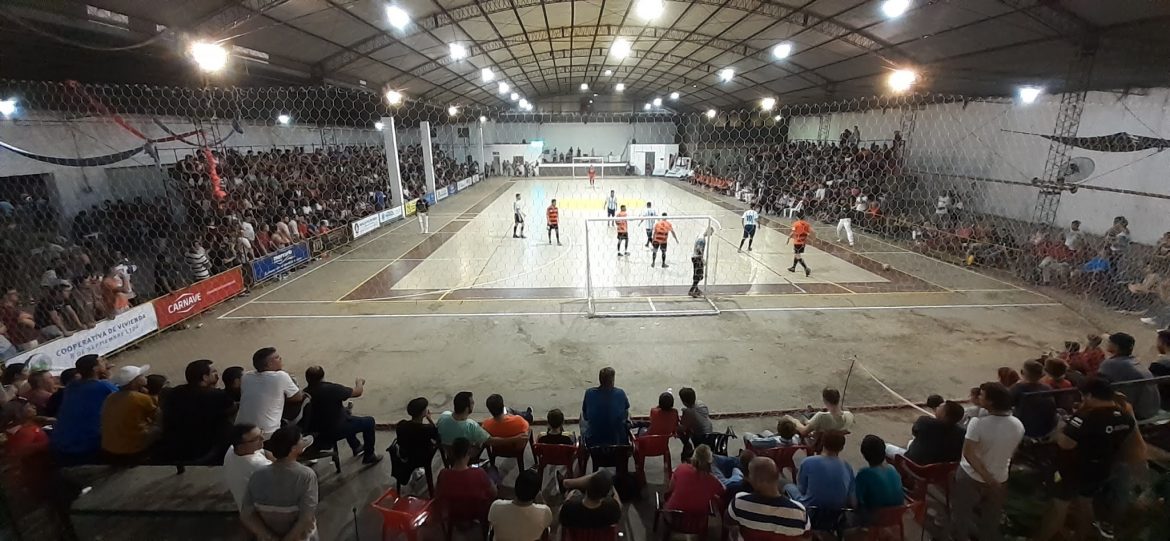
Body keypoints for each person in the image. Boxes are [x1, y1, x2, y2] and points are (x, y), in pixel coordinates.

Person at [1033, 378, 1141, 541]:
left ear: (1089, 395)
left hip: (1073, 469)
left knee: (1058, 507)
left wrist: (1061, 430)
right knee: (1085, 502)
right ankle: (1081, 536)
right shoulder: (1126, 417)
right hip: (1101, 468)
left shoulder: (1086, 417)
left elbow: (1066, 444)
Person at [950, 382, 1025, 541]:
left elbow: (969, 454)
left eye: (982, 395)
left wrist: (988, 478)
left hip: (971, 476)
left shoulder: (977, 423)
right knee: (991, 518)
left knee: (961, 513)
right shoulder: (1018, 424)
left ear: (990, 402)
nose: (979, 397)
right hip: (1000, 477)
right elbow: (1012, 451)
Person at [240, 425, 319, 541]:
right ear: (293, 449)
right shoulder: (306, 476)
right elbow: (306, 516)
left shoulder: (257, 475)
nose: (304, 441)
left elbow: (246, 514)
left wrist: (269, 536)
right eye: (301, 440)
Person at [157, 359, 235, 463]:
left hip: (175, 446)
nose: (217, 375)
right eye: (213, 372)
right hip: (205, 448)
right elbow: (232, 409)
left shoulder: (175, 392)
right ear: (205, 377)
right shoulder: (217, 395)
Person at [303, 366, 381, 464]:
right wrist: (359, 382)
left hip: (316, 434)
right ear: (322, 377)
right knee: (369, 421)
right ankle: (369, 455)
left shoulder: (304, 393)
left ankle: (356, 446)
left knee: (346, 414)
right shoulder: (331, 389)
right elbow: (358, 392)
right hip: (334, 431)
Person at [50, 355, 118, 462]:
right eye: (101, 362)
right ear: (95, 368)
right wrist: (108, 377)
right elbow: (123, 398)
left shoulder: (71, 386)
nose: (105, 362)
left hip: (61, 444)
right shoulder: (104, 386)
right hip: (88, 446)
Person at [727, 457, 810, 537]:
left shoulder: (739, 503)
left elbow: (729, 524)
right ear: (777, 476)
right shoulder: (799, 512)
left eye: (749, 475)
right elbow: (806, 537)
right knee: (788, 485)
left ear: (758, 481)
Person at [235, 347, 304, 441]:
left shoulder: (246, 376)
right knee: (306, 399)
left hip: (239, 429)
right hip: (267, 432)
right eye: (277, 357)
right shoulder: (281, 376)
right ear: (269, 364)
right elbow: (298, 397)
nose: (280, 358)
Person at [100, 364, 159, 461]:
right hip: (131, 449)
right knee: (160, 426)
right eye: (141, 376)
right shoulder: (140, 398)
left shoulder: (111, 397)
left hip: (109, 448)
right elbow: (157, 416)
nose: (145, 377)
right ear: (134, 381)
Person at [1098, 332, 1161, 420]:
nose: (1107, 344)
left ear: (1116, 346)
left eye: (1110, 342)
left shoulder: (1111, 364)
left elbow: (1096, 383)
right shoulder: (1135, 362)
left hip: (1137, 413)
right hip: (1151, 409)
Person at [785, 431, 854, 511]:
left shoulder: (808, 461)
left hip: (810, 509)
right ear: (841, 448)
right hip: (837, 512)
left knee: (787, 485)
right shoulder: (847, 466)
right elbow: (850, 495)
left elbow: (802, 489)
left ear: (823, 444)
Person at [886, 400, 965, 465]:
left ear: (943, 414)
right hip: (940, 469)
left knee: (885, 447)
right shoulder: (962, 433)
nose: (936, 408)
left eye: (939, 407)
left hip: (914, 464)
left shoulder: (925, 422)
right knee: (912, 442)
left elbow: (915, 432)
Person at [435, 437, 496, 519]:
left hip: (453, 515)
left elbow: (438, 495)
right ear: (468, 452)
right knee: (493, 472)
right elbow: (494, 493)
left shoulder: (443, 474)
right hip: (477, 514)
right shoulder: (479, 473)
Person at [488, 469, 553, 541]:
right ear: (537, 493)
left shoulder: (496, 506)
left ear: (515, 486)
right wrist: (541, 501)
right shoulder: (544, 512)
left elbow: (491, 524)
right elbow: (547, 525)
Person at [223, 423, 273, 510]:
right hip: (258, 510)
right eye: (256, 438)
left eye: (261, 433)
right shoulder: (258, 466)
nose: (263, 438)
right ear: (241, 446)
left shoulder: (232, 450)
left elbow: (264, 452)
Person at [665, 444, 725, 513]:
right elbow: (723, 491)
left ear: (693, 457)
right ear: (710, 461)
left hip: (673, 514)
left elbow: (670, 489)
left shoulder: (681, 468)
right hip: (697, 518)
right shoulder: (713, 480)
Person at [855, 435, 904, 517]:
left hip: (875, 517)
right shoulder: (892, 469)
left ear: (864, 455)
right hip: (897, 514)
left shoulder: (864, 474)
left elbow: (857, 500)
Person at [581, 367, 630, 446]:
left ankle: (584, 443)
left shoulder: (589, 393)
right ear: (612, 380)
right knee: (626, 413)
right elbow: (625, 414)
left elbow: (585, 416)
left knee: (583, 417)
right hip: (618, 440)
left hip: (593, 440)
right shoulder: (620, 393)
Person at [1009, 358, 1057, 438]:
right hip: (1045, 428)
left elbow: (1005, 403)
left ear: (1022, 372)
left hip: (1024, 428)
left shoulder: (1018, 388)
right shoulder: (1047, 388)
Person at [558, 470, 622, 529]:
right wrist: (612, 488)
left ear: (586, 489)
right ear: (604, 496)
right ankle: (567, 483)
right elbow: (619, 506)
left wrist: (569, 497)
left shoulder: (569, 508)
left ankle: (567, 483)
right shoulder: (612, 510)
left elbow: (561, 514)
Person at [784, 387, 855, 439]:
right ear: (839, 399)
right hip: (835, 443)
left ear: (824, 400)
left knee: (790, 420)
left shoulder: (821, 416)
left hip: (818, 442)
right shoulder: (849, 416)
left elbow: (804, 432)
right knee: (807, 417)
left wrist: (794, 421)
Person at [1, 286, 40, 351]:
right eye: (14, 294)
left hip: (27, 338)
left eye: (17, 293)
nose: (17, 295)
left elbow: (27, 317)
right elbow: (22, 319)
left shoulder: (13, 308)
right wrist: (29, 320)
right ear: (6, 296)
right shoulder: (6, 309)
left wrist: (27, 318)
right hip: (24, 340)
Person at [678, 387, 713, 452]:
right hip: (710, 434)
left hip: (701, 437)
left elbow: (682, 428)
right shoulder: (701, 404)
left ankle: (687, 446)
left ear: (684, 402)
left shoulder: (688, 412)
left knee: (680, 431)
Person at [787, 211, 813, 276]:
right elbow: (809, 233)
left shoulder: (795, 224)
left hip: (797, 242)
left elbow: (793, 232)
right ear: (803, 217)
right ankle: (793, 267)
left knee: (797, 255)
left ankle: (806, 268)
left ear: (797, 217)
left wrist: (788, 238)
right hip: (803, 242)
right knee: (797, 254)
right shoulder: (807, 224)